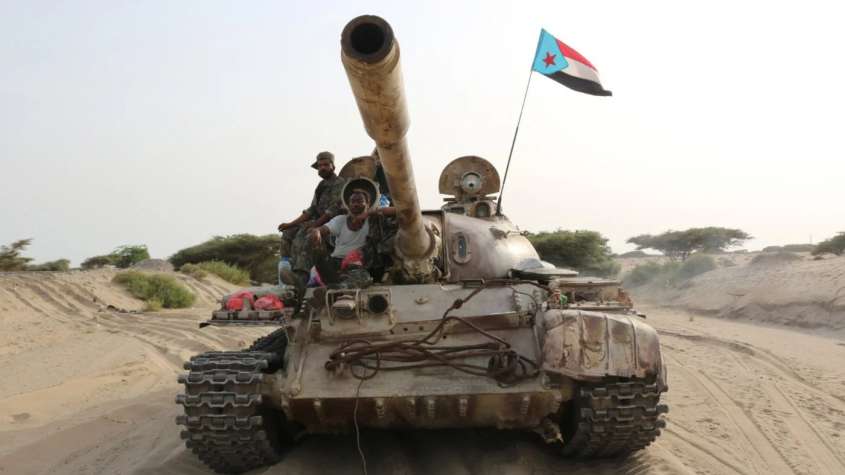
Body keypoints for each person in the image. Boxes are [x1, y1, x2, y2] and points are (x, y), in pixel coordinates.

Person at [278, 151, 347, 282]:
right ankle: (287, 269)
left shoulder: (339, 183)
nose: (322, 168)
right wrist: (290, 224)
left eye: (325, 165)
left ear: (333, 167)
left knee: (304, 232)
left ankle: (300, 275)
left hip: (332, 225)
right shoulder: (321, 185)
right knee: (288, 232)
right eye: (320, 166)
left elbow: (331, 211)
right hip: (318, 221)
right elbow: (311, 210)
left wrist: (315, 225)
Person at [308, 186, 395, 284]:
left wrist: (368, 213)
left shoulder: (372, 220)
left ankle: (335, 286)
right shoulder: (341, 220)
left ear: (367, 204)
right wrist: (317, 232)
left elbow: (398, 211)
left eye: (359, 201)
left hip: (358, 265)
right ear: (348, 205)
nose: (355, 204)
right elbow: (323, 229)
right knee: (317, 254)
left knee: (362, 278)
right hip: (336, 262)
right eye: (352, 202)